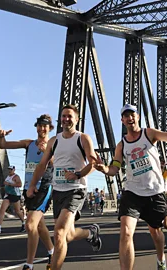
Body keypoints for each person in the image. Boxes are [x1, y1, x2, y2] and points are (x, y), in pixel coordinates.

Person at [95, 103, 167, 270]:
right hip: (132, 192)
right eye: (126, 115)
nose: (129, 118)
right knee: (125, 232)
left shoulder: (149, 133)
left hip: (155, 192)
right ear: (122, 120)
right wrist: (104, 169)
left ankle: (161, 260)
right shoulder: (122, 145)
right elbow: (114, 168)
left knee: (155, 233)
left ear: (137, 117)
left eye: (132, 114)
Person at [27, 104, 102, 270]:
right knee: (67, 235)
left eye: (69, 116)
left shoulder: (82, 138)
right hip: (58, 191)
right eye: (63, 116)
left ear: (76, 119)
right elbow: (42, 165)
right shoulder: (54, 141)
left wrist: (78, 175)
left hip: (76, 190)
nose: (66, 119)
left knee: (59, 232)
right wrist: (32, 185)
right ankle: (91, 233)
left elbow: (93, 163)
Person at [0, 114, 55, 270]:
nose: (42, 128)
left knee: (30, 225)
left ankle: (29, 264)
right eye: (40, 125)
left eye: (45, 126)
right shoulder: (28, 144)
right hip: (29, 188)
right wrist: (0, 137)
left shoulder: (53, 144)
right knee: (39, 226)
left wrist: (48, 153)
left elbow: (61, 163)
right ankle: (52, 250)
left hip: (44, 187)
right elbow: (3, 145)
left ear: (50, 128)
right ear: (36, 127)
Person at [0, 165, 25, 233]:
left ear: (14, 170)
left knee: (17, 211)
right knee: (2, 210)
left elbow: (20, 185)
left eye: (11, 169)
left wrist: (10, 184)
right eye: (9, 169)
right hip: (8, 195)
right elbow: (6, 184)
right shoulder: (8, 176)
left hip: (15, 195)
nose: (9, 171)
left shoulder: (16, 177)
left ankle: (23, 223)